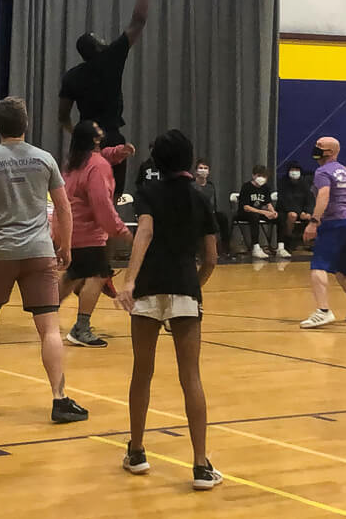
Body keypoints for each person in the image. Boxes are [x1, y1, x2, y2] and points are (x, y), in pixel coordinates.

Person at [0, 96, 88, 424]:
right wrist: (66, 245)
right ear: (25, 124)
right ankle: (59, 398)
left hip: (0, 252)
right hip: (40, 252)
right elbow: (64, 206)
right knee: (49, 329)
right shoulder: (44, 159)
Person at [115, 129, 222, 490]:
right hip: (185, 293)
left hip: (147, 291)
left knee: (141, 373)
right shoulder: (201, 199)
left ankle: (137, 451)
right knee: (190, 377)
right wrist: (195, 285)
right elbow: (211, 258)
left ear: (156, 161)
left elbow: (144, 232)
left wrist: (129, 280)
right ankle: (200, 465)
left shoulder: (148, 193)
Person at [58, 0, 164, 197]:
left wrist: (77, 131)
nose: (105, 42)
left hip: (85, 141)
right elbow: (139, 20)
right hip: (111, 137)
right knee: (111, 200)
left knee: (80, 196)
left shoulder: (72, 77)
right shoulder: (111, 59)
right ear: (97, 47)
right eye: (100, 40)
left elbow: (63, 115)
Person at [58, 120, 136, 348]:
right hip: (88, 233)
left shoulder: (75, 163)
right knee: (99, 274)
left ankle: (44, 314)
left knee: (73, 275)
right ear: (94, 139)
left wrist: (119, 153)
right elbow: (101, 204)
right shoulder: (97, 166)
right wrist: (121, 231)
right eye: (98, 130)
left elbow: (102, 156)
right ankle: (81, 328)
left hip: (71, 231)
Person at [300, 137, 346, 328]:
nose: (317, 150)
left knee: (318, 265)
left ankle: (323, 311)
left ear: (330, 152)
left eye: (321, 148)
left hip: (335, 221)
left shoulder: (322, 172)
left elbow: (324, 194)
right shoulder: (344, 171)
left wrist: (314, 221)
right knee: (341, 267)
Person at [235, 165, 277, 259]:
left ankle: (281, 246)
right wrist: (264, 212)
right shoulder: (246, 187)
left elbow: (268, 203)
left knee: (279, 217)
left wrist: (273, 212)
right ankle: (256, 247)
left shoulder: (265, 188)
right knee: (254, 216)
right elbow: (246, 207)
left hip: (259, 213)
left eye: (264, 176)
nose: (261, 178)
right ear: (253, 176)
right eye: (259, 175)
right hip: (245, 213)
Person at [274, 161, 314, 258]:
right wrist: (298, 212)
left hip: (301, 211)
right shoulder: (283, 183)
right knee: (292, 216)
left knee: (316, 217)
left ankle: (312, 243)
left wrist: (307, 211)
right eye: (292, 170)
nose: (294, 172)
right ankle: (287, 241)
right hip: (285, 210)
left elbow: (310, 199)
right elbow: (283, 201)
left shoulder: (304, 184)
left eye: (297, 170)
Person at [193, 159, 231, 257]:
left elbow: (213, 203)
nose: (203, 170)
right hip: (195, 214)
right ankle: (196, 251)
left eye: (205, 168)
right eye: (200, 168)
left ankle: (225, 249)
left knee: (222, 217)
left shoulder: (210, 186)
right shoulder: (191, 185)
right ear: (196, 171)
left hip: (210, 213)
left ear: (209, 171)